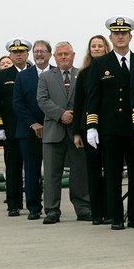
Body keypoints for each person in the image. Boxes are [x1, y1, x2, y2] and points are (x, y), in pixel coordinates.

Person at [85, 17, 134, 231]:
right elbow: (93, 96)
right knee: (112, 174)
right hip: (110, 128)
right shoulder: (101, 63)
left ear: (130, 36)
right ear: (110, 37)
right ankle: (116, 216)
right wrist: (92, 125)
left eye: (124, 33)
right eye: (116, 34)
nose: (120, 37)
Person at [37, 41, 92, 223]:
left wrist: (75, 117)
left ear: (73, 55)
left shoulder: (82, 75)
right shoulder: (45, 77)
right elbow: (42, 100)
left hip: (77, 133)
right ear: (54, 57)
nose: (63, 57)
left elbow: (86, 99)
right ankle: (52, 210)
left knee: (79, 172)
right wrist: (61, 114)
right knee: (52, 174)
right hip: (54, 133)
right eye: (59, 54)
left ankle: (83, 208)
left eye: (66, 54)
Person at [0, 38, 32, 217]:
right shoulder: (2, 75)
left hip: (32, 129)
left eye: (21, 52)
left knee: (32, 169)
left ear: (27, 54)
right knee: (13, 169)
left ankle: (34, 202)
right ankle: (13, 204)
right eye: (15, 52)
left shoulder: (35, 73)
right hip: (11, 131)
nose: (18, 55)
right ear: (10, 55)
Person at [73, 35, 111, 225]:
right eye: (93, 46)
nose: (97, 49)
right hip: (88, 127)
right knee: (93, 170)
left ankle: (111, 210)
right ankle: (97, 212)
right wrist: (77, 132)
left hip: (110, 126)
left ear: (106, 47)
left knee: (111, 171)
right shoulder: (84, 73)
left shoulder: (113, 68)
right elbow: (78, 102)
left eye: (100, 46)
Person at [13, 39, 52, 220]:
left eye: (42, 51)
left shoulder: (57, 73)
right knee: (31, 171)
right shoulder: (23, 76)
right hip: (30, 131)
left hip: (54, 129)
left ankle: (53, 207)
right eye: (36, 51)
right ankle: (34, 207)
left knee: (53, 171)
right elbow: (18, 103)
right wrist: (33, 123)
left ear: (49, 54)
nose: (39, 54)